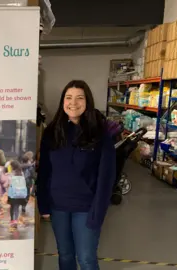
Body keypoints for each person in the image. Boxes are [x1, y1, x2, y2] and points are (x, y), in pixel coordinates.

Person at [36, 80, 116, 270]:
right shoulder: (51, 132)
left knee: (87, 258)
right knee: (65, 255)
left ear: (87, 102)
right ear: (63, 101)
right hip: (58, 206)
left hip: (86, 207)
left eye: (79, 98)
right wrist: (43, 204)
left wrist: (99, 211)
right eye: (68, 97)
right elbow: (45, 171)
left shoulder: (100, 133)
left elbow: (107, 177)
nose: (73, 103)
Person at [7, 160, 28, 228]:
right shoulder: (21, 173)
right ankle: (15, 220)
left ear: (12, 166)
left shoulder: (12, 173)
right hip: (20, 193)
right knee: (17, 207)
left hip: (13, 193)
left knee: (12, 207)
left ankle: (12, 220)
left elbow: (9, 183)